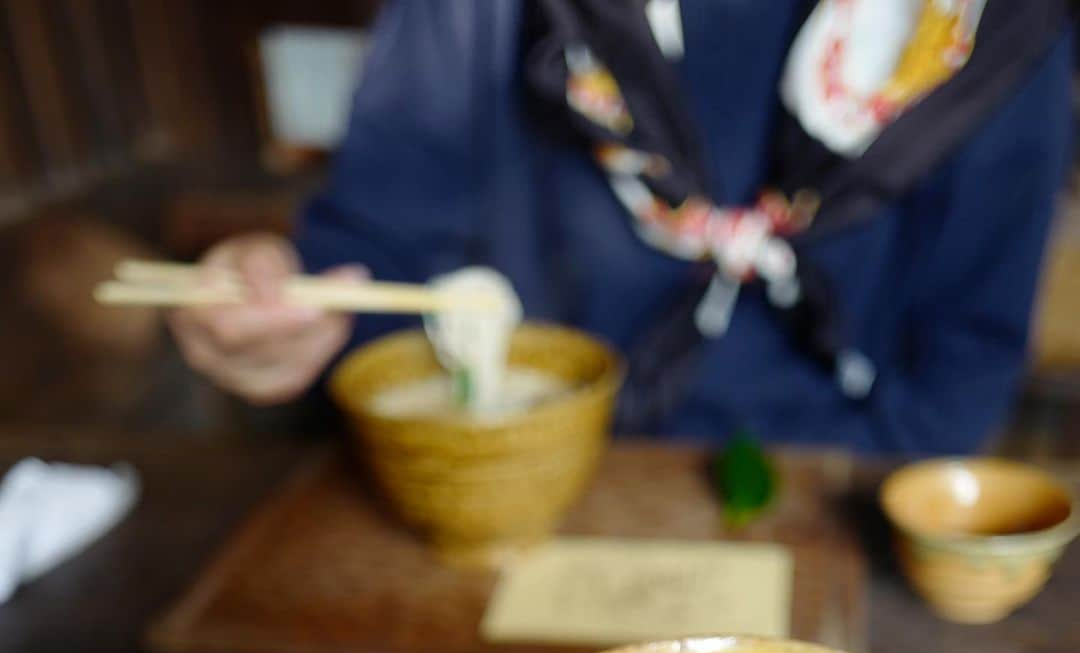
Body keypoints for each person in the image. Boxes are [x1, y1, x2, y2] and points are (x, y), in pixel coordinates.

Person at [171, 0, 1074, 454]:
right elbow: (365, 269)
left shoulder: (980, 29)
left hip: (840, 481)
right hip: (521, 460)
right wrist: (283, 318)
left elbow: (967, 359)